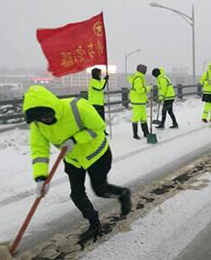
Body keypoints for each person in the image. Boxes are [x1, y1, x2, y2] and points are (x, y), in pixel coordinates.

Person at [23, 85, 132, 242]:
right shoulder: (38, 124)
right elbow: (39, 150)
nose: (45, 120)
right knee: (76, 195)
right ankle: (94, 223)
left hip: (97, 154)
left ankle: (123, 193)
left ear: (52, 107)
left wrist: (76, 139)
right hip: (73, 160)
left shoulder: (77, 106)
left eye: (47, 115)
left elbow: (99, 127)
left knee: (100, 189)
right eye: (41, 119)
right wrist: (40, 177)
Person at [128, 64, 151, 139]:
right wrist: (148, 88)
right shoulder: (138, 79)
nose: (145, 71)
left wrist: (146, 99)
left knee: (143, 117)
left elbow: (142, 92)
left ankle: (146, 133)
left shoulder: (140, 78)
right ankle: (135, 134)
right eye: (145, 70)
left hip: (140, 101)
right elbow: (140, 90)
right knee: (136, 117)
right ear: (142, 70)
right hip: (137, 102)